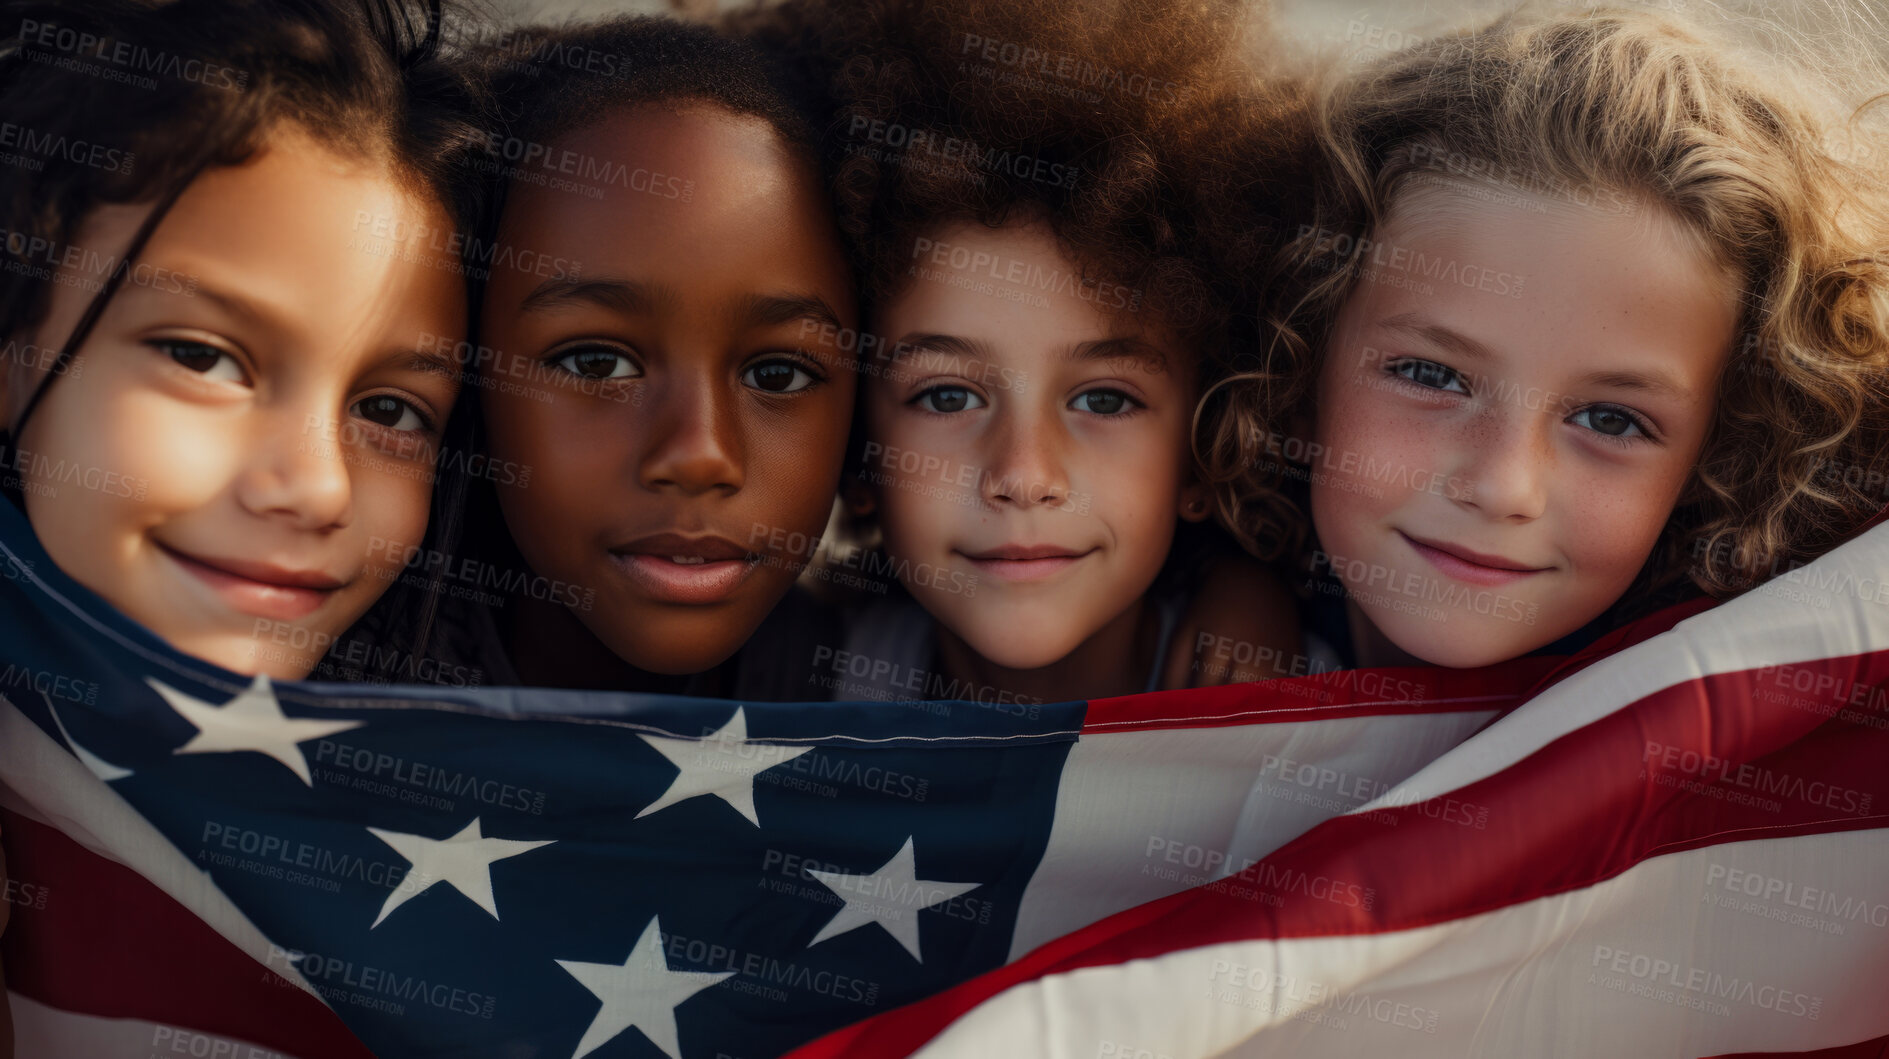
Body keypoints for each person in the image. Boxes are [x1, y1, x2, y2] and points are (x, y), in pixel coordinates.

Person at [1208, 6, 1889, 670]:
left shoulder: (1735, 703)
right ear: (1296, 360)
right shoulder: (1161, 623)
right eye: (1430, 374)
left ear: (1720, 457)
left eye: (1609, 418)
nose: (1505, 487)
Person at [747, 0, 1311, 704]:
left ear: (1204, 447)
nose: (1023, 475)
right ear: (857, 452)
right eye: (945, 395)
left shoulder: (1332, 714)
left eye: (1103, 398)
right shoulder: (781, 686)